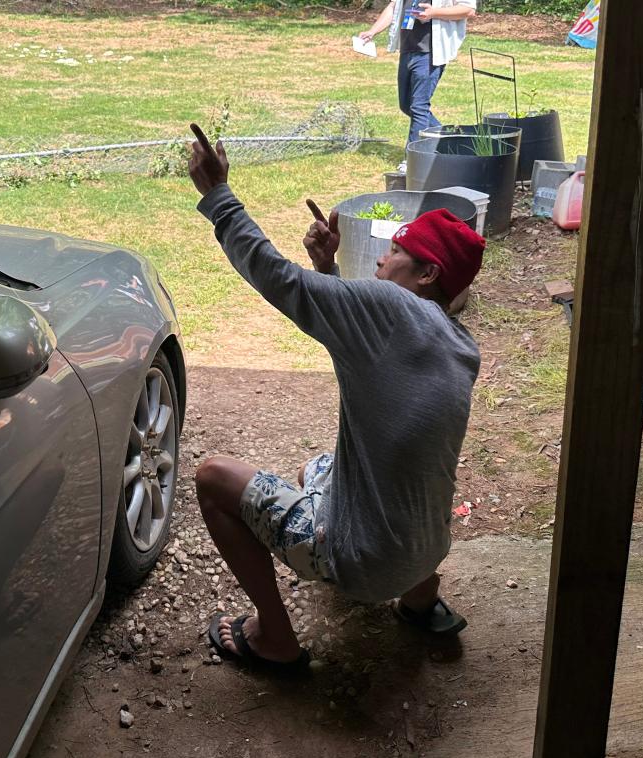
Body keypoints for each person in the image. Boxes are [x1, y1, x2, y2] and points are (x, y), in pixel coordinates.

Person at [185, 123, 484, 672]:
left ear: (426, 274)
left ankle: (274, 635)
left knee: (211, 477)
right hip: (424, 547)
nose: (379, 261)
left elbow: (281, 281)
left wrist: (218, 196)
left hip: (363, 563)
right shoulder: (460, 345)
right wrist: (330, 268)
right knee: (317, 466)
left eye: (394, 252)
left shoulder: (387, 313)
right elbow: (371, 350)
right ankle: (420, 597)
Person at [358, 0, 478, 170]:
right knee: (406, 104)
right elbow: (394, 7)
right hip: (408, 50)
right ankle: (448, 136)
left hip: (430, 52)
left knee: (419, 106)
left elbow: (468, 9)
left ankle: (413, 161)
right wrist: (372, 31)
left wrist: (433, 13)